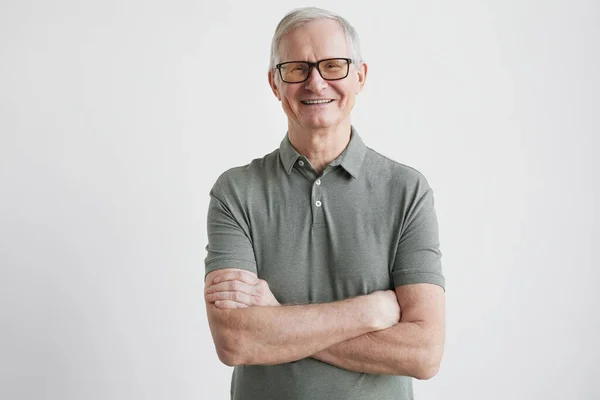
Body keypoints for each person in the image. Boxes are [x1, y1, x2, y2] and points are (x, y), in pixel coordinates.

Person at [203, 7, 445, 400]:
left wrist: (276, 319)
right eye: (297, 68)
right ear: (274, 83)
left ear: (360, 76)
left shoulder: (406, 190)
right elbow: (236, 342)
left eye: (333, 66)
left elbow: (424, 353)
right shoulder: (236, 191)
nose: (316, 83)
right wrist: (368, 313)